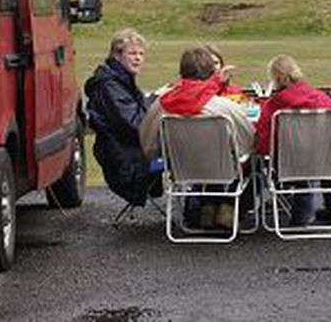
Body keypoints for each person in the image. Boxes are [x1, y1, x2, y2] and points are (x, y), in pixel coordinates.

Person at [139, 46, 255, 230]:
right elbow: (249, 142)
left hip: (180, 170)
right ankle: (229, 207)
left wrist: (166, 157)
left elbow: (147, 145)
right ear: (212, 73)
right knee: (250, 162)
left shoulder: (161, 106)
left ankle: (206, 209)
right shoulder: (225, 107)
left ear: (181, 72)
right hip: (223, 167)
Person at [255, 54, 331, 226]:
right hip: (323, 161)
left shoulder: (275, 105)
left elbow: (263, 142)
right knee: (304, 158)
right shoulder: (324, 99)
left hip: (285, 164)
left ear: (276, 78)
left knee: (259, 163)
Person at [84, 28, 156, 206]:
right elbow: (136, 125)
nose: (138, 58)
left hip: (133, 154)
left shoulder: (121, 81)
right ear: (117, 55)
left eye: (141, 54)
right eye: (132, 53)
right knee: (183, 157)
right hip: (127, 164)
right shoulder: (110, 87)